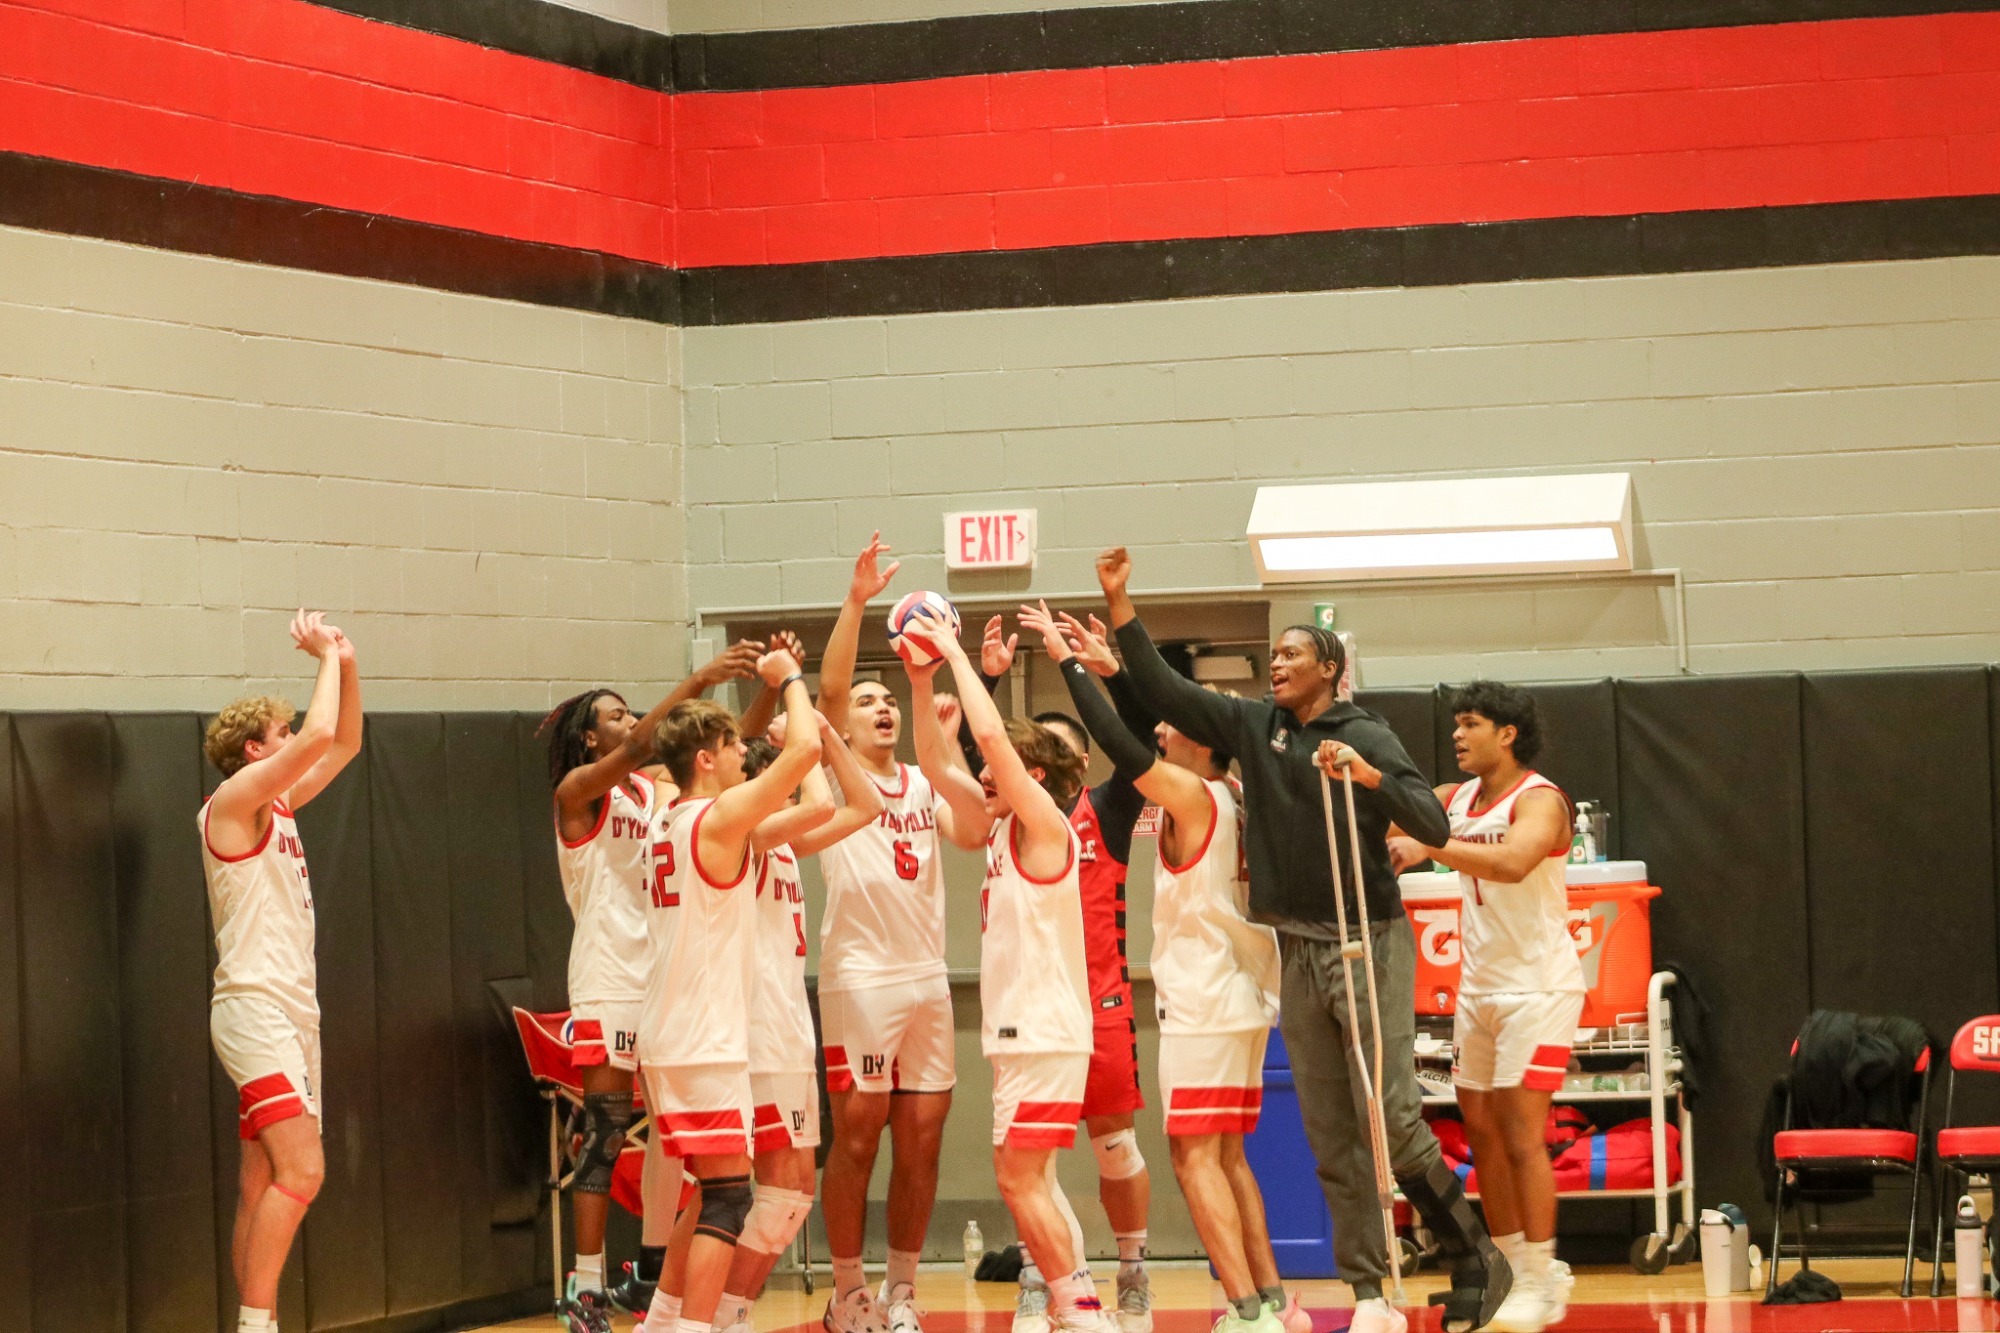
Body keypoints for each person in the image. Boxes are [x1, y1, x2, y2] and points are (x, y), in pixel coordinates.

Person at [1095, 549, 1511, 1333]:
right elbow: (1165, 691)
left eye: (1291, 654)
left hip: (1368, 936)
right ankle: (1368, 1292)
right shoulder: (1257, 726)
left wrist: (1368, 777)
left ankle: (1475, 1251)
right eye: (1274, 654)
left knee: (1389, 1116)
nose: (1276, 664)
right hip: (1297, 947)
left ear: (1329, 668)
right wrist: (1121, 606)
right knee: (1329, 1132)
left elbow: (1433, 823)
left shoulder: (1367, 733)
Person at [1017, 603, 1308, 1333]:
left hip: (1205, 997)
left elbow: (1119, 739)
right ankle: (1274, 1300)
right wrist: (1115, 670)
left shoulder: (1191, 792)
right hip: (1244, 993)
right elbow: (1142, 728)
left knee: (1193, 1159)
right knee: (1230, 1156)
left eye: (1176, 726)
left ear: (1203, 746)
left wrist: (1068, 661)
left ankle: (1244, 1310)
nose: (1163, 729)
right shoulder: (1236, 794)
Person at [902, 607, 1114, 1333]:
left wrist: (960, 657)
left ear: (1036, 774)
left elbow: (989, 738)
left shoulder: (1048, 827)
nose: (982, 774)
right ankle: (1073, 1307)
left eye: (997, 771)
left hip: (1044, 1028)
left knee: (1018, 1178)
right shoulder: (996, 826)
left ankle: (1083, 1311)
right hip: (1023, 1032)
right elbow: (937, 764)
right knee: (1037, 1181)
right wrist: (918, 674)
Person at [540, 644, 763, 1329]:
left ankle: (653, 1271)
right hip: (610, 978)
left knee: (678, 1146)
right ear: (589, 736)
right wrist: (700, 677)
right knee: (606, 1134)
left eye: (629, 712)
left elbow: (724, 752)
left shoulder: (653, 791)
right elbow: (645, 742)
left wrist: (760, 708)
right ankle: (585, 1285)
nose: (630, 720)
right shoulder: (578, 794)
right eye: (614, 714)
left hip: (663, 983)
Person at [968, 615, 1156, 1333]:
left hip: (1098, 1002)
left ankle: (1132, 1271)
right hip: (1036, 1006)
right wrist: (982, 672)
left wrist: (1096, 669)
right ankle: (1044, 1275)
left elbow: (1132, 743)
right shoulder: (1004, 817)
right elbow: (969, 749)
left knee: (1113, 1147)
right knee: (1028, 1165)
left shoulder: (1103, 810)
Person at [815, 534, 978, 1333]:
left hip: (926, 977)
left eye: (890, 701)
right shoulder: (831, 770)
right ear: (843, 725)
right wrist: (857, 601)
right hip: (860, 977)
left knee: (921, 1140)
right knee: (857, 1138)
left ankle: (902, 1291)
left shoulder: (920, 778)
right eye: (868, 703)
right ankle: (848, 1291)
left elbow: (974, 829)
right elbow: (831, 687)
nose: (881, 707)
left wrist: (940, 722)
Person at [636, 647, 824, 1333]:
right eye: (732, 746)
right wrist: (790, 679)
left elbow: (810, 805)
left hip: (672, 1033)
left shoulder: (668, 819)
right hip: (702, 1037)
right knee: (725, 1199)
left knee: (715, 1191)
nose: (744, 755)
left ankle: (665, 1320)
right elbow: (802, 751)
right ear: (705, 761)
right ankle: (695, 1327)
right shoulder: (713, 821)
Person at [1387, 684, 1581, 1333]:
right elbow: (1388, 821)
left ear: (1508, 733)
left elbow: (1512, 861)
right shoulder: (1452, 797)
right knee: (1483, 1134)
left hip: (1542, 987)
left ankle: (1542, 1275)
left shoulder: (1542, 799)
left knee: (1525, 1132)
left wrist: (1429, 847)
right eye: (1456, 724)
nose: (1458, 734)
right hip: (1479, 988)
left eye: (1471, 724)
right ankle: (1509, 1265)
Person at [200, 610, 362, 1333]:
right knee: (304, 1170)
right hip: (254, 1008)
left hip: (293, 1012)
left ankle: (253, 1319)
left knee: (260, 1180)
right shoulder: (231, 804)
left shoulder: (282, 803)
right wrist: (323, 653)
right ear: (253, 748)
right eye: (282, 732)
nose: (295, 739)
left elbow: (345, 739)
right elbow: (324, 735)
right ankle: (256, 1325)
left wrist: (348, 663)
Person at [713, 723, 886, 1333]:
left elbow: (866, 805)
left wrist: (824, 738)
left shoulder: (782, 843)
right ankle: (704, 1316)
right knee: (735, 1194)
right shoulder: (750, 833)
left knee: (789, 1199)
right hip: (749, 1030)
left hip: (787, 1027)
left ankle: (725, 1313)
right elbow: (828, 803)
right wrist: (803, 742)